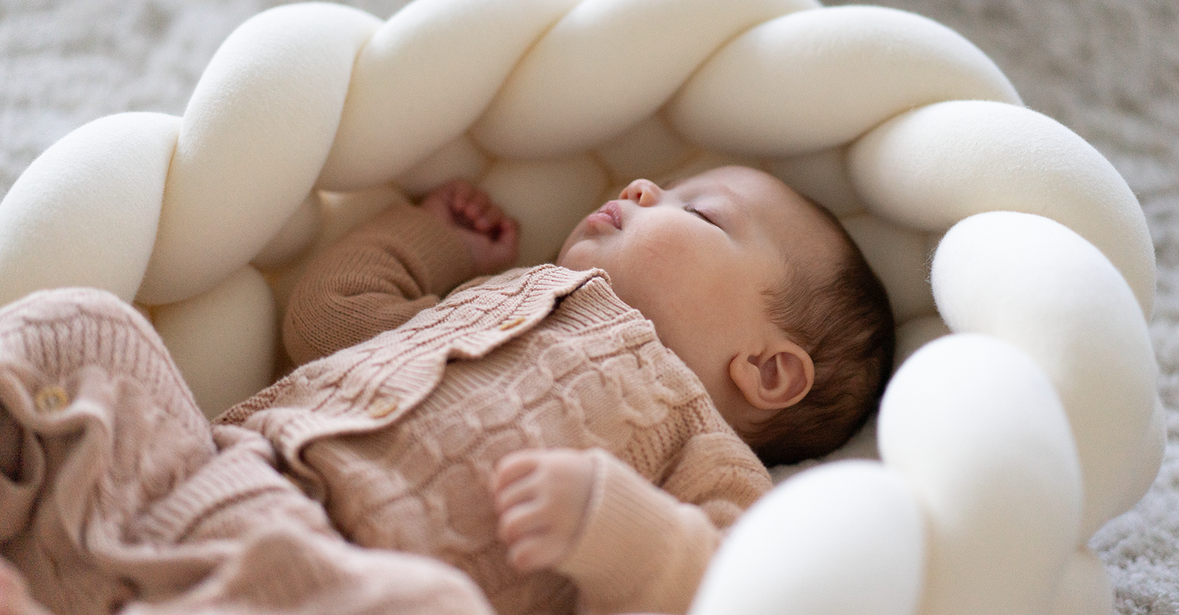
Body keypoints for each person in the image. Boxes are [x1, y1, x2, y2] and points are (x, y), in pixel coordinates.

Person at [0, 166, 893, 615]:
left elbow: (720, 582)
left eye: (698, 212)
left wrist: (617, 526)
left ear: (768, 370)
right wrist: (434, 244)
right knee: (90, 331)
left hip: (342, 583)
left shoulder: (707, 452)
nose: (643, 185)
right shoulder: (503, 295)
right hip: (209, 478)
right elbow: (327, 320)